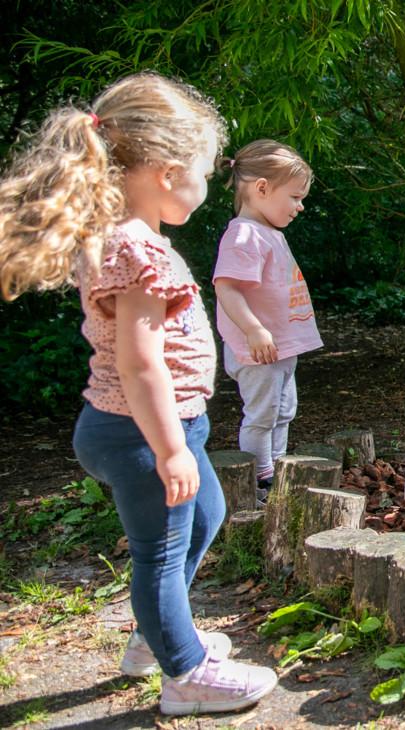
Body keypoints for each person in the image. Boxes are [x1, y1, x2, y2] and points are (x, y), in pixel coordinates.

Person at [0, 72, 277, 715]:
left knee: (204, 517)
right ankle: (184, 676)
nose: (208, 189)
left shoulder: (125, 239)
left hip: (157, 426)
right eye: (206, 172)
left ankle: (157, 639)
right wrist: (170, 449)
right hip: (143, 431)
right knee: (160, 551)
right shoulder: (138, 250)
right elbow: (140, 364)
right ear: (166, 172)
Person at [213, 141, 322, 499]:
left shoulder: (267, 233)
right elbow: (227, 288)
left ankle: (276, 468)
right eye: (294, 197)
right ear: (262, 189)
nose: (300, 206)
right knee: (262, 415)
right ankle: (261, 481)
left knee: (283, 410)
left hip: (279, 348)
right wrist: (254, 329)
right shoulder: (244, 235)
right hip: (259, 351)